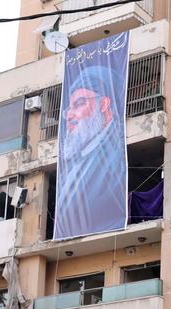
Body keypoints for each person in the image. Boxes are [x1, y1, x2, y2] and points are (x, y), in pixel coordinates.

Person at [55, 64, 127, 239]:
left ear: (104, 104)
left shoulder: (117, 157)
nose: (70, 115)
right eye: (69, 109)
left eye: (79, 104)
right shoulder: (74, 159)